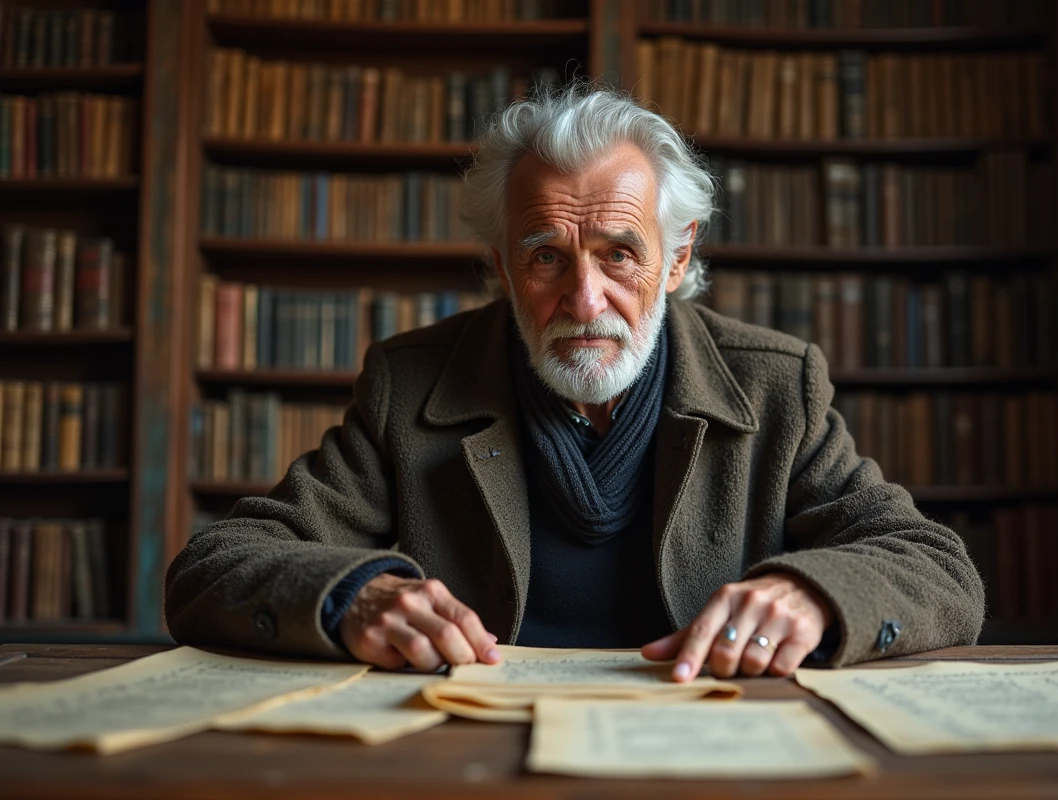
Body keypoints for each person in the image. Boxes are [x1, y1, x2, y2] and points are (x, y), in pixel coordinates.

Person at [165, 86, 984, 681]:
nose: (584, 300)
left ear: (680, 259)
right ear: (500, 268)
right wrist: (348, 597)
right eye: (546, 256)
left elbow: (937, 567)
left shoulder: (777, 386)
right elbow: (215, 565)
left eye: (620, 253)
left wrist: (816, 595)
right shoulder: (410, 384)